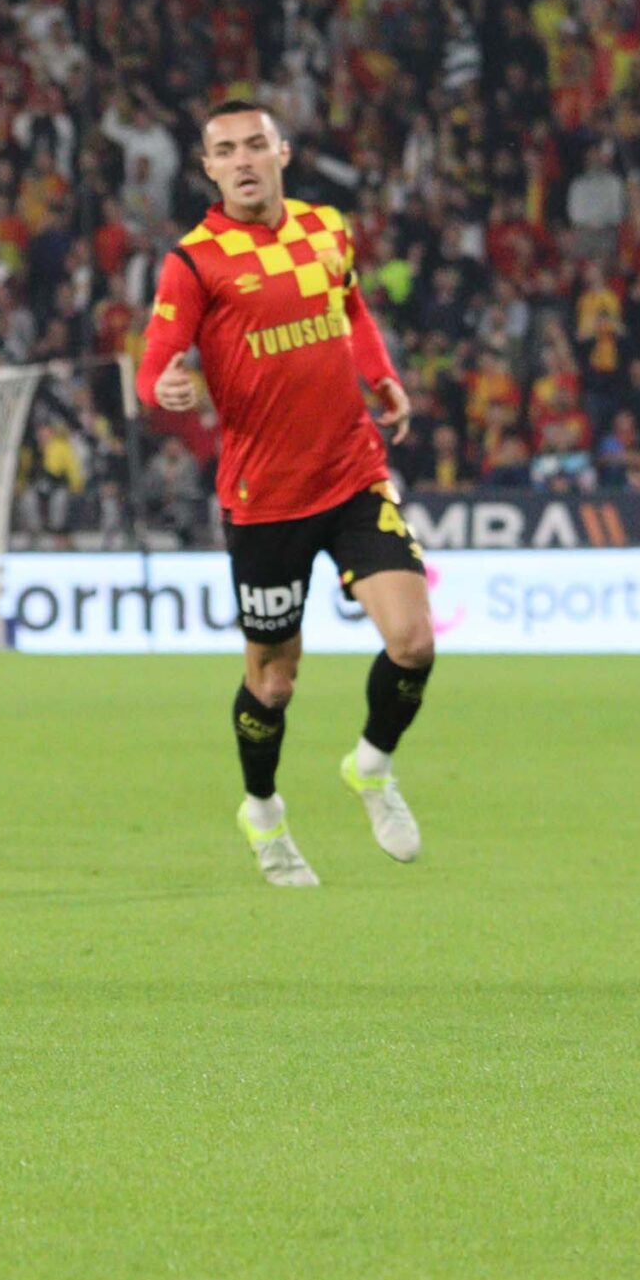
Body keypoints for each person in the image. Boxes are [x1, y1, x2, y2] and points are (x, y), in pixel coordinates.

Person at [138, 100, 436, 888]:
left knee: (413, 641)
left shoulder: (326, 229)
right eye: (226, 150)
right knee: (273, 681)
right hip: (264, 497)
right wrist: (163, 386)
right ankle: (264, 810)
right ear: (209, 168)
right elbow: (156, 358)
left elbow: (353, 309)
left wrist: (382, 377)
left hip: (352, 474)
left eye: (255, 145)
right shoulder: (195, 261)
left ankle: (371, 765)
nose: (242, 159)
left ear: (282, 153)